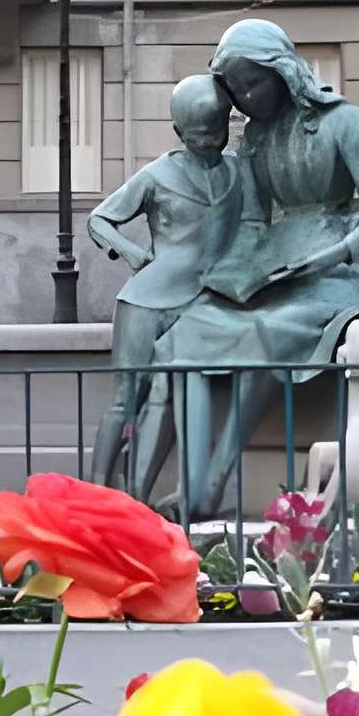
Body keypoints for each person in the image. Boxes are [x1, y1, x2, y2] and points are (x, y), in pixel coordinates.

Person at [155, 19, 359, 520]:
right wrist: (228, 275)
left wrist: (340, 251)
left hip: (339, 274)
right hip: (275, 265)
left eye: (254, 83)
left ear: (282, 72)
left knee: (265, 333)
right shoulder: (254, 139)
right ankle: (186, 484)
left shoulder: (343, 121)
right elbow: (252, 222)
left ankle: (214, 484)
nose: (246, 98)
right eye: (236, 89)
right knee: (184, 332)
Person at [87, 75, 239, 495]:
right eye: (198, 135)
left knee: (171, 394)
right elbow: (100, 219)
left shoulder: (237, 172)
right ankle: (96, 491)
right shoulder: (157, 175)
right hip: (146, 302)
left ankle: (145, 495)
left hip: (202, 300)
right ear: (178, 131)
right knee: (126, 399)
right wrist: (134, 255)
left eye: (216, 131)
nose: (208, 142)